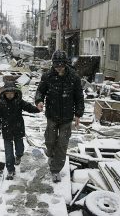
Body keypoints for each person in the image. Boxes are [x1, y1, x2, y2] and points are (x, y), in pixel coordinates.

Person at [35, 50, 84, 183]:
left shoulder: (74, 77)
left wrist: (78, 114)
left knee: (62, 144)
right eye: (56, 66)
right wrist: (39, 101)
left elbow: (79, 97)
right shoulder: (47, 76)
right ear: (53, 65)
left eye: (61, 66)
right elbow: (40, 91)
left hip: (67, 117)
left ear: (65, 64)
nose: (59, 68)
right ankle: (51, 154)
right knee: (50, 140)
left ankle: (56, 169)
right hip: (51, 114)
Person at [0, 81, 40, 180]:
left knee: (20, 148)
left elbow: (28, 107)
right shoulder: (1, 104)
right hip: (7, 131)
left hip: (18, 130)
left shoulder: (19, 102)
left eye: (12, 93)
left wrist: (37, 109)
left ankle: (19, 156)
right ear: (4, 94)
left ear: (15, 93)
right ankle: (10, 170)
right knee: (8, 153)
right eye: (8, 93)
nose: (10, 95)